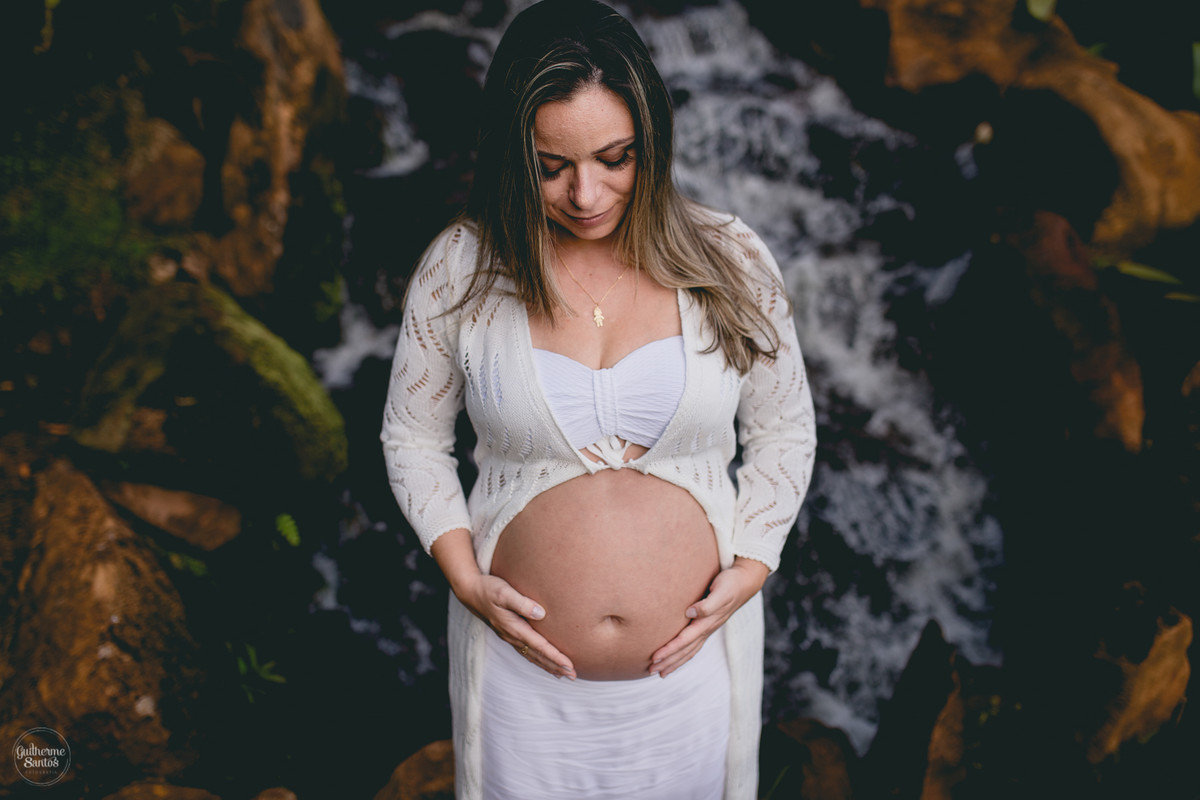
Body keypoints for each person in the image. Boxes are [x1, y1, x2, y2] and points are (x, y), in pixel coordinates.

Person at [381, 1, 815, 797]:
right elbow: (412, 437)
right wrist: (465, 576)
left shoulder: (731, 259)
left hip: (686, 685)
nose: (587, 194)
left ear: (652, 137)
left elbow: (785, 427)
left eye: (615, 157)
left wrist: (753, 563)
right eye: (552, 166)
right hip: (523, 693)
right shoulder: (463, 270)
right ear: (514, 154)